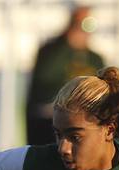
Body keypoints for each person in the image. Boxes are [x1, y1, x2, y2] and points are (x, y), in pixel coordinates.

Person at [26, 5, 105, 145]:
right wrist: (68, 44)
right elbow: (43, 83)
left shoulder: (95, 58)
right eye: (81, 24)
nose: (84, 31)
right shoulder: (50, 52)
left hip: (86, 119)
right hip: (50, 118)